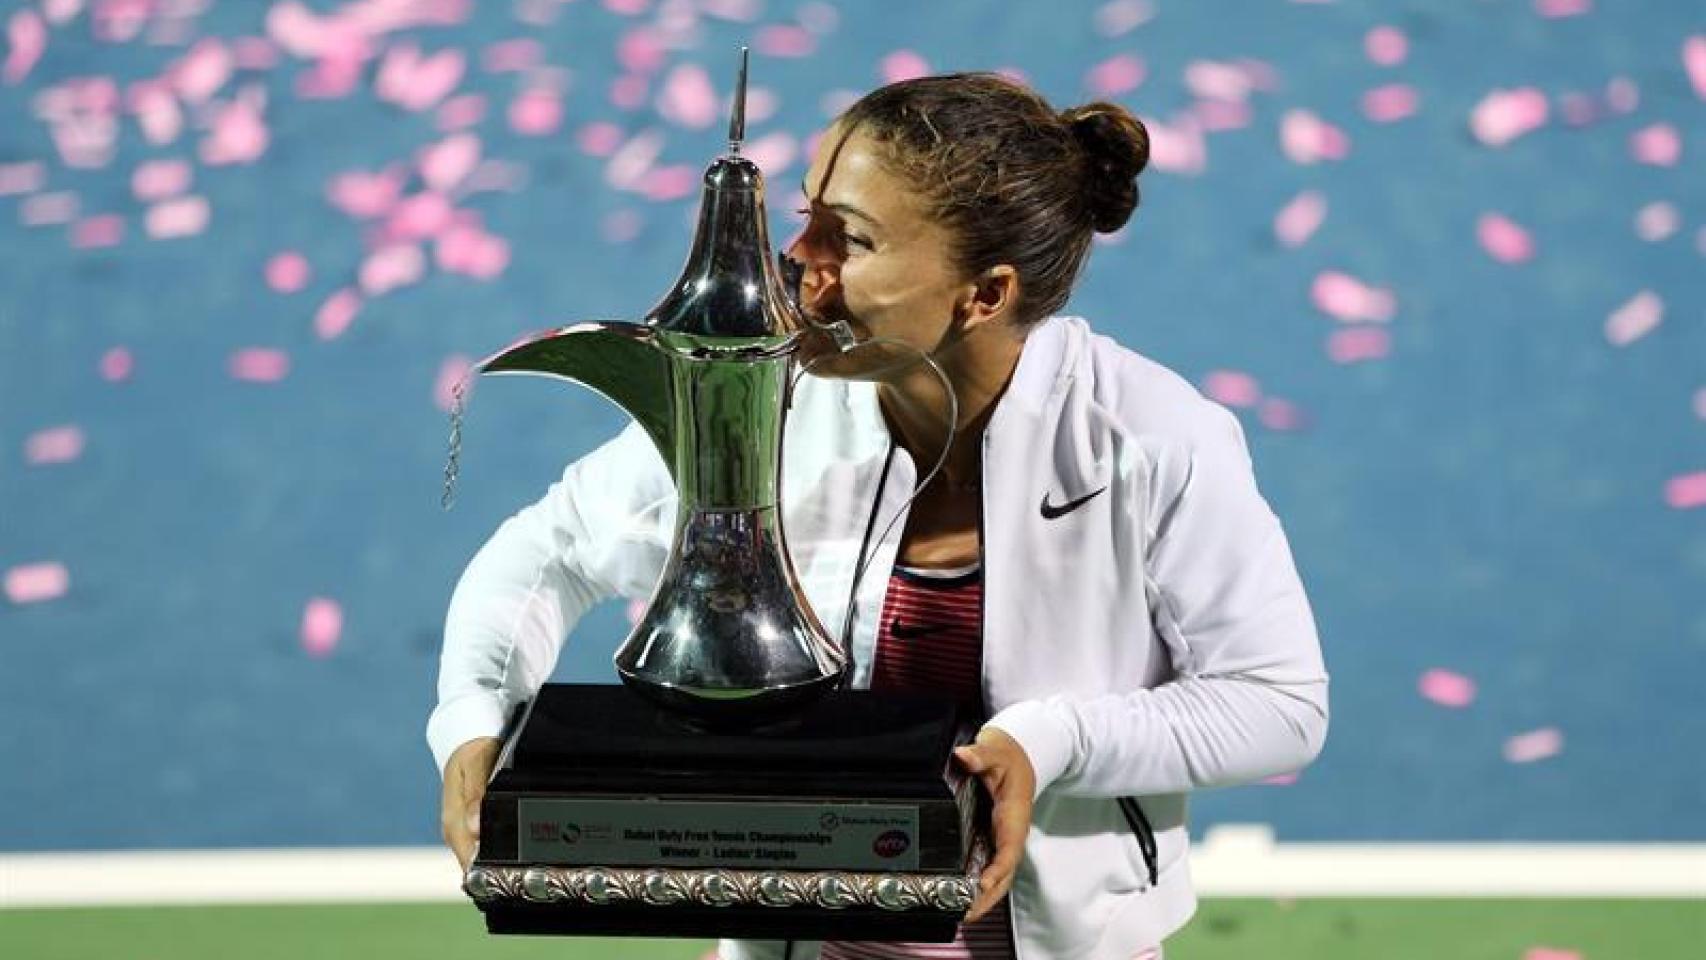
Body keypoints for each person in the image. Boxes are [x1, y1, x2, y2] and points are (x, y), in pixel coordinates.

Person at [429, 73, 1330, 960]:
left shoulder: (1155, 441)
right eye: (807, 216)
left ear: (985, 294)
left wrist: (1051, 740)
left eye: (848, 239)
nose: (798, 263)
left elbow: (1278, 703)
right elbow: (542, 556)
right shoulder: (769, 408)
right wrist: (474, 717)